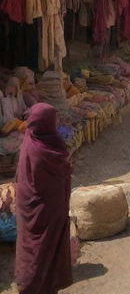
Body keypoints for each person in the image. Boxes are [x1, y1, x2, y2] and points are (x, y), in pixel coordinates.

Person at [15, 103, 72, 294]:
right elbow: (57, 171)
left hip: (35, 206)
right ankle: (35, 286)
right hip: (44, 208)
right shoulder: (43, 150)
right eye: (53, 121)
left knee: (38, 248)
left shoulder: (32, 140)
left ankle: (45, 285)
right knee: (39, 249)